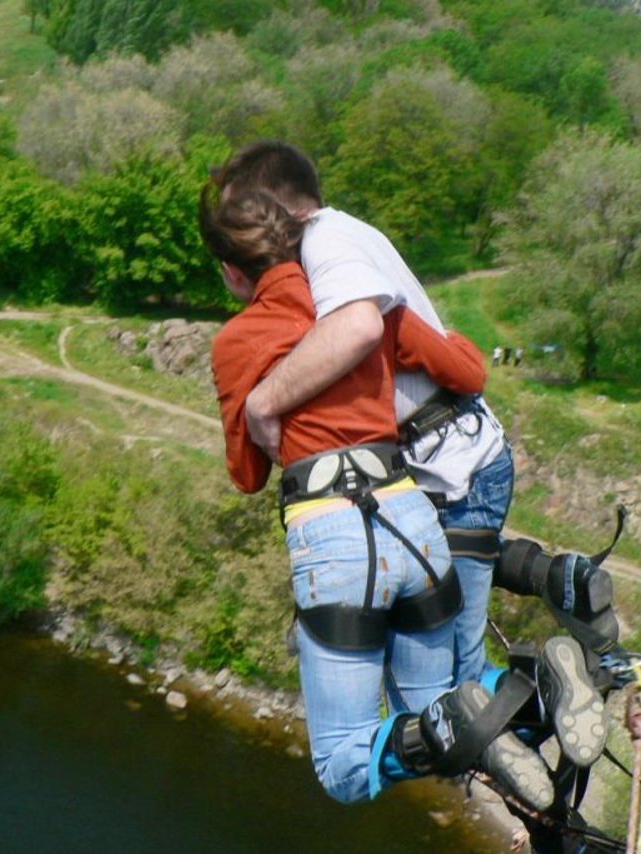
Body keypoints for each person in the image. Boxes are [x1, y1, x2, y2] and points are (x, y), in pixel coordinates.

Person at [200, 185, 570, 812]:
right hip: (414, 523)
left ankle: (481, 720)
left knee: (346, 765)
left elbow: (246, 473)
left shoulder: (238, 340)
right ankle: (539, 698)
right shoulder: (363, 306)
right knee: (439, 714)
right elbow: (464, 366)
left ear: (234, 272)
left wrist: (261, 402)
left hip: (335, 541)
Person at [211, 141, 515, 694]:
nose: (241, 231)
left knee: (454, 684)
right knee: (433, 677)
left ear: (280, 211)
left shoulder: (327, 241)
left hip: (454, 472)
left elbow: (362, 329)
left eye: (243, 217)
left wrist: (261, 402)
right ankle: (544, 577)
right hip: (434, 471)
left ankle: (543, 691)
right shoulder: (333, 244)